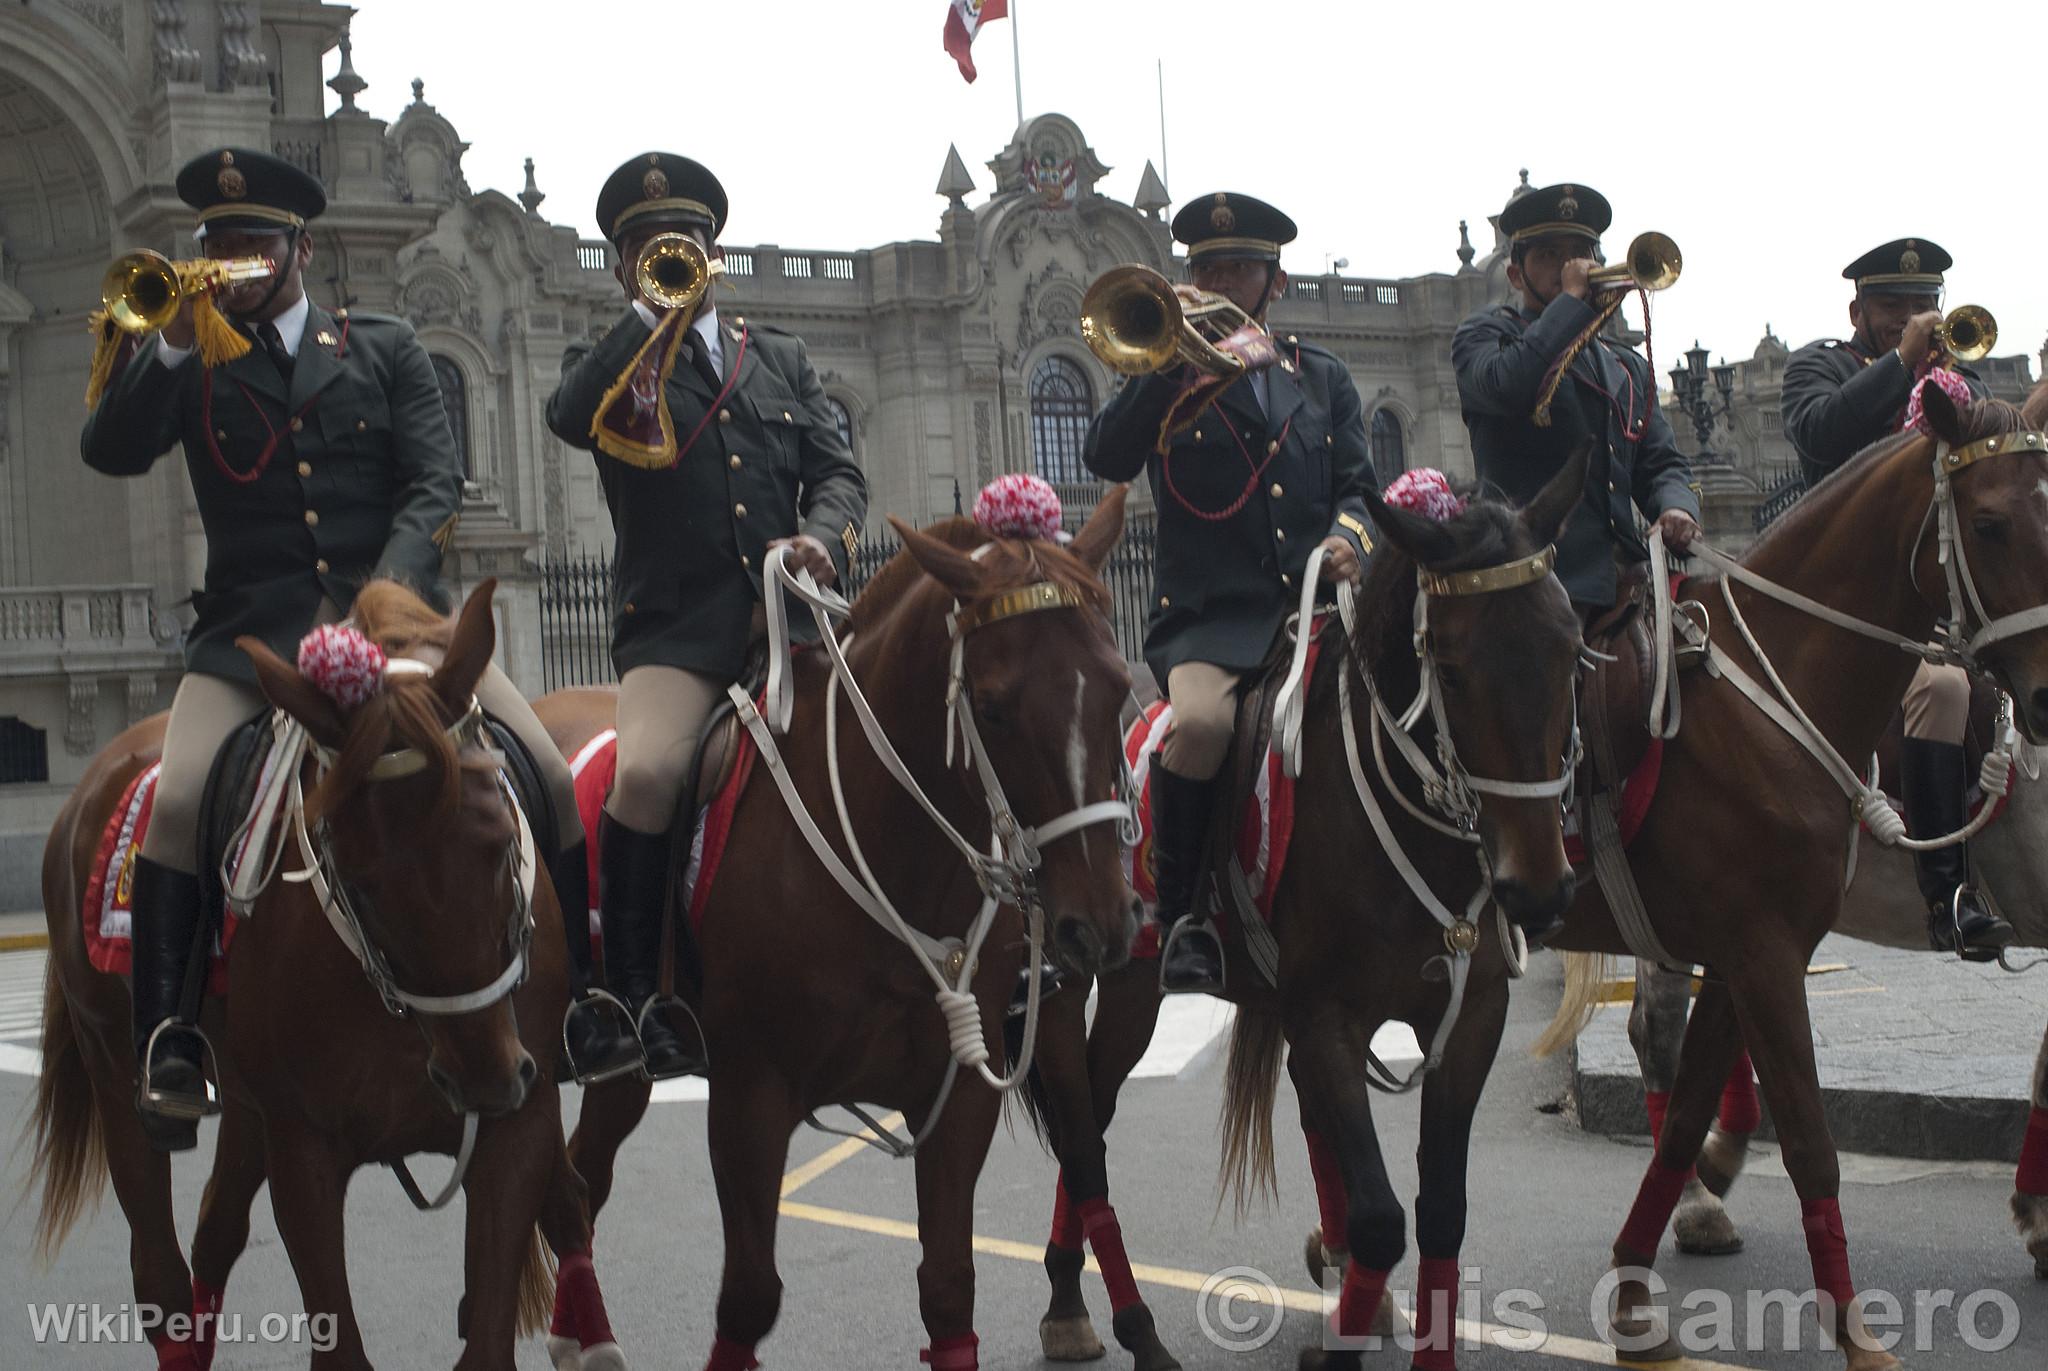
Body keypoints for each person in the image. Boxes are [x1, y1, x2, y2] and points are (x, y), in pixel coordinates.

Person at [81, 149, 617, 1151]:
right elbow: (111, 451)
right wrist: (152, 341)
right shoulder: (193, 356)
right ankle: (173, 1038)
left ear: (301, 251)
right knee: (183, 798)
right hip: (252, 639)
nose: (235, 261)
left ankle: (590, 999)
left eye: (253, 244)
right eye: (218, 247)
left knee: (541, 767)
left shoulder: (382, 347)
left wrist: (388, 598)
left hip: (398, 624)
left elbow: (432, 482)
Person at [546, 152, 867, 1076]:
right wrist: (649, 317)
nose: (667, 256)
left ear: (714, 251)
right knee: (645, 773)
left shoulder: (781, 359)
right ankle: (630, 995)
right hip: (679, 636)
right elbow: (571, 415)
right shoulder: (607, 367)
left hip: (793, 628)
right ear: (620, 267)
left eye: (682, 245)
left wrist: (818, 536)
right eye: (645, 249)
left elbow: (838, 470)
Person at [1082, 192, 1374, 993]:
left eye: (1237, 267)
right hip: (1209, 624)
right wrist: (1169, 357)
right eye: (1206, 266)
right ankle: (1183, 917)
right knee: (1205, 726)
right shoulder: (1161, 367)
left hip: (1313, 611)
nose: (1219, 278)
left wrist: (1351, 540)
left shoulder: (1321, 378)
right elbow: (1106, 453)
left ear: (1271, 282)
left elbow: (1360, 490)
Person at [1782, 238, 2012, 959]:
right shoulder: (1820, 366)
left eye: (1924, 306)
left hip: (1949, 601)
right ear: (1858, 310)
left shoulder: (1960, 380)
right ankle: (1948, 896)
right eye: (1893, 308)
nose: (1913, 318)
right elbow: (1822, 432)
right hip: (1853, 606)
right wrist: (1901, 364)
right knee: (1942, 692)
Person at [1452, 181, 1701, 617]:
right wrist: (1571, 302)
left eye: (1580, 253)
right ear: (1515, 274)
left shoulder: (1625, 365)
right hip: (1533, 582)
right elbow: (1511, 386)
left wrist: (1677, 505)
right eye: (1549, 255)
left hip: (1628, 578)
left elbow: (1661, 463)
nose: (1569, 266)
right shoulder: (1486, 337)